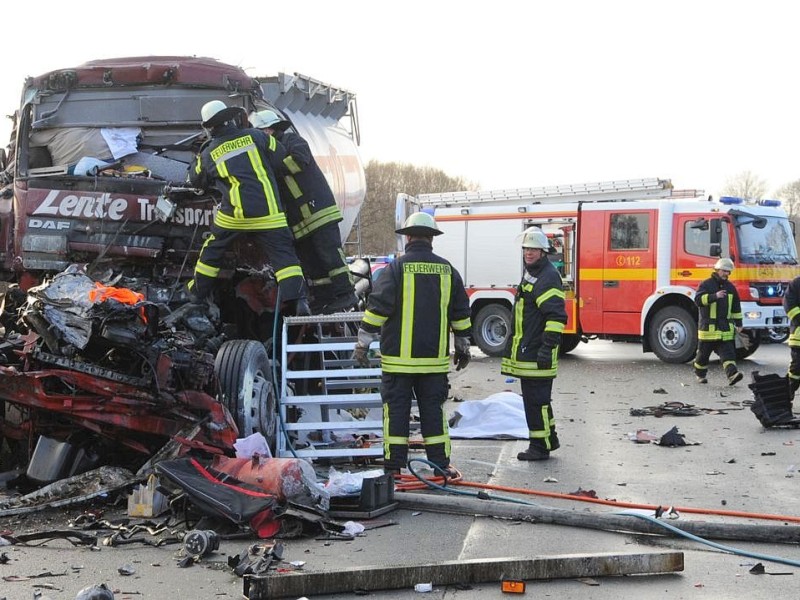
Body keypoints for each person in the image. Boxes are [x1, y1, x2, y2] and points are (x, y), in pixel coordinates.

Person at [352, 212, 472, 476]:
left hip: (398, 364)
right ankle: (440, 466)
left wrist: (363, 343)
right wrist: (463, 348)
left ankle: (393, 469)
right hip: (434, 363)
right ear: (431, 239)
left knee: (396, 414)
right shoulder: (448, 270)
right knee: (433, 414)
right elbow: (461, 314)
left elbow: (377, 310)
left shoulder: (394, 269)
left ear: (407, 237)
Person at [187, 101, 309, 315]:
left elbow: (196, 180)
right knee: (285, 258)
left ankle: (196, 296)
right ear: (231, 119)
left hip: (234, 216)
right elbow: (280, 159)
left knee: (212, 251)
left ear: (209, 127)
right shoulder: (257, 136)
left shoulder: (209, 152)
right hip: (269, 214)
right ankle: (299, 302)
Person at [249, 109, 357, 314]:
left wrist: (273, 169)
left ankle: (346, 293)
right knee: (311, 262)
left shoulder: (292, 141)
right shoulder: (268, 155)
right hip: (300, 223)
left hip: (319, 213)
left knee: (329, 254)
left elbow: (300, 160)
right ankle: (324, 298)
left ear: (269, 130)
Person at [501, 227, 568, 461]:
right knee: (538, 401)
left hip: (537, 351)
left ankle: (539, 448)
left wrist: (546, 348)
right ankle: (549, 440)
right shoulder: (534, 272)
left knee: (535, 402)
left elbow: (556, 317)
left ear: (543, 251)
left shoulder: (546, 276)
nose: (529, 253)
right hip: (530, 349)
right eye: (526, 249)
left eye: (534, 249)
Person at [692, 257, 744, 385]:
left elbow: (736, 307)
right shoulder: (706, 284)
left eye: (729, 272)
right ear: (718, 269)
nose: (727, 274)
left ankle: (733, 375)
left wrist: (739, 323)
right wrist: (714, 296)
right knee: (702, 357)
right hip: (708, 329)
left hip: (725, 329)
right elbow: (698, 301)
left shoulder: (730, 287)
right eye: (725, 271)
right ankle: (700, 375)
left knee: (728, 354)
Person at [783, 275, 800, 395]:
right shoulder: (796, 284)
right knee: (796, 369)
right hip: (799, 337)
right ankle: (786, 395)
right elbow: (789, 305)